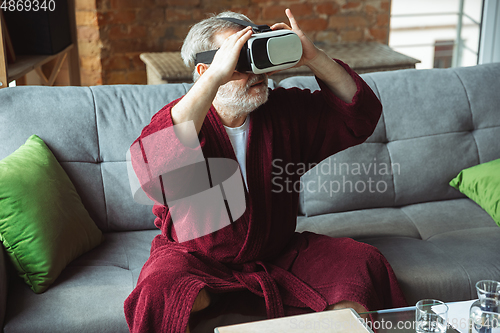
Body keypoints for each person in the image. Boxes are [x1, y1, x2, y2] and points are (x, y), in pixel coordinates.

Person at [124, 9, 407, 333]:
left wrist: (312, 56)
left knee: (362, 265)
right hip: (197, 261)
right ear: (207, 70)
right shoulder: (184, 119)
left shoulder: (282, 112)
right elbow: (151, 170)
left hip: (278, 255)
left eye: (255, 57)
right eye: (239, 62)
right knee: (160, 292)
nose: (256, 74)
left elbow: (360, 115)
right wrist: (213, 79)